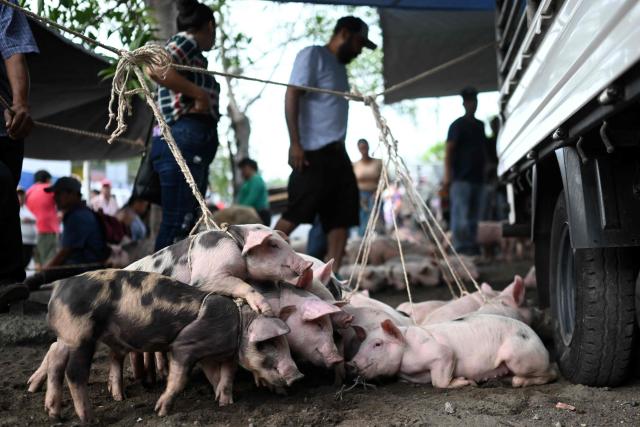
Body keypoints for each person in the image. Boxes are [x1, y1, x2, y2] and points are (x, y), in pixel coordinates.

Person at [275, 16, 376, 271]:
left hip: (337, 154)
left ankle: (331, 280)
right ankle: (259, 264)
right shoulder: (313, 55)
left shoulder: (340, 69)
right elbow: (292, 93)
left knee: (341, 217)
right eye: (358, 43)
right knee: (295, 213)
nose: (359, 50)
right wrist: (294, 143)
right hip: (311, 152)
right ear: (344, 33)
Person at [146, 0, 220, 251]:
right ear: (210, 25)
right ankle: (159, 283)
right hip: (184, 135)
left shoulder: (193, 53)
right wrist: (199, 95)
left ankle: (170, 282)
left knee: (184, 221)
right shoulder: (186, 40)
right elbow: (155, 68)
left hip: (186, 139)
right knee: (178, 221)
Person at [0, 0, 39, 309]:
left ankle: (9, 284)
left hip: (8, 124)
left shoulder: (4, 7)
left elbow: (14, 52)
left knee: (4, 190)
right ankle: (8, 280)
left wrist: (20, 103)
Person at [24, 177, 109, 290]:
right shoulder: (81, 212)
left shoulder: (77, 216)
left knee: (33, 282)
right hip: (85, 265)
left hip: (83, 268)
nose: (55, 197)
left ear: (72, 194)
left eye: (58, 193)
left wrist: (43, 273)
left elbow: (65, 253)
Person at [442, 87, 487, 255]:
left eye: (474, 100)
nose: (472, 104)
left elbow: (483, 150)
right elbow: (449, 151)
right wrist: (447, 177)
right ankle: (462, 249)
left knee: (476, 218)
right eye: (469, 101)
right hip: (461, 179)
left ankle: (474, 248)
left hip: (478, 178)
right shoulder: (457, 125)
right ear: (464, 103)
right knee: (461, 218)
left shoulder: (480, 126)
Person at [25, 169, 60, 267]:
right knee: (48, 260)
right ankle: (46, 282)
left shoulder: (29, 191)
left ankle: (38, 282)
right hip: (47, 229)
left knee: (37, 262)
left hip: (32, 231)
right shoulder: (49, 189)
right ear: (48, 179)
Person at [352, 138, 382, 236]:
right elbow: (352, 183)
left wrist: (377, 193)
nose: (363, 150)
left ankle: (380, 241)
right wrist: (359, 197)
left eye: (365, 147)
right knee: (363, 220)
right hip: (361, 195)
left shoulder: (378, 162)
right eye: (361, 148)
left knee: (377, 219)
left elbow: (385, 180)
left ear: (368, 147)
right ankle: (362, 242)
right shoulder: (355, 165)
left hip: (376, 194)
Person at [236, 157, 270, 226]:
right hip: (251, 214)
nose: (242, 171)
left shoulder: (256, 179)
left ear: (250, 167)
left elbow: (250, 200)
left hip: (260, 214)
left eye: (243, 168)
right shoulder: (247, 182)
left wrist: (236, 210)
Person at [17, 186, 36, 268]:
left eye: (22, 195)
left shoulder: (26, 208)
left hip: (30, 242)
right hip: (20, 241)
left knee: (25, 263)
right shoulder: (9, 207)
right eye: (18, 194)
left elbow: (34, 219)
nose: (20, 197)